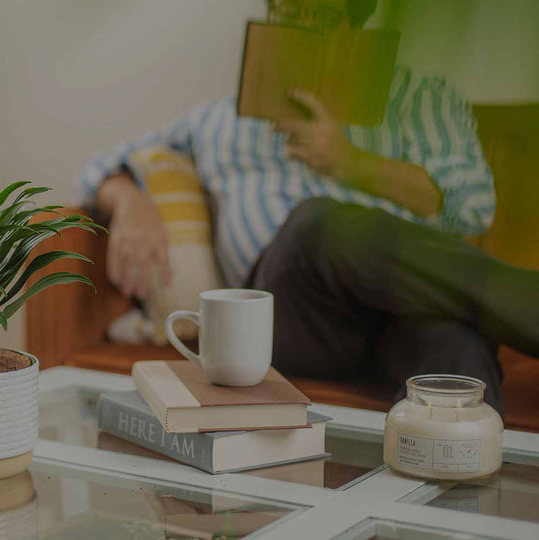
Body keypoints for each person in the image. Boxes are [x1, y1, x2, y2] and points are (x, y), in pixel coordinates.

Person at [78, 0, 539, 413]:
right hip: (291, 319)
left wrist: (353, 164)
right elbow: (100, 164)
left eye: (322, 16)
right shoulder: (220, 118)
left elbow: (475, 205)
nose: (302, 27)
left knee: (456, 349)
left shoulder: (419, 99)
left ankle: (449, 495)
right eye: (289, 12)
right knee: (314, 224)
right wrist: (130, 200)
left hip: (407, 309)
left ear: (357, 25)